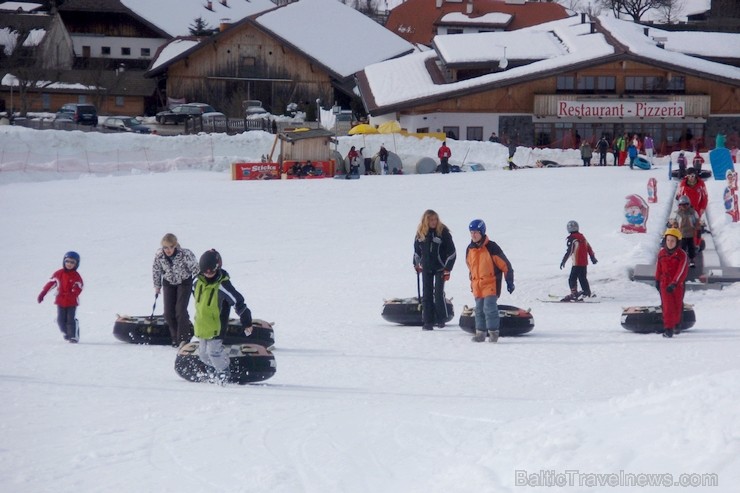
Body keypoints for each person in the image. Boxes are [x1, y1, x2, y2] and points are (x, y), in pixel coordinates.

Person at [193, 249, 252, 384]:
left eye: (211, 271)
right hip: (202, 324)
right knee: (203, 354)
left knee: (214, 353)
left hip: (216, 326)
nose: (208, 275)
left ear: (218, 268)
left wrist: (246, 321)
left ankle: (224, 372)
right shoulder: (196, 282)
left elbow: (238, 302)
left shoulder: (223, 286)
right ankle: (212, 372)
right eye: (205, 272)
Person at [465, 219, 514, 342]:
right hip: (477, 285)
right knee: (479, 309)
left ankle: (493, 334)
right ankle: (480, 334)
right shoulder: (469, 249)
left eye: (476, 232)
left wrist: (509, 281)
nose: (473, 235)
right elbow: (470, 268)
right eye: (471, 232)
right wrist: (472, 282)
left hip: (491, 283)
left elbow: (506, 265)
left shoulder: (492, 247)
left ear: (482, 232)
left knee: (489, 308)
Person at [152, 233, 200, 348]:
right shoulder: (159, 256)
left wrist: (199, 284)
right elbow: (156, 270)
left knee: (180, 311)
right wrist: (157, 286)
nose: (168, 250)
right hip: (169, 283)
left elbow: (196, 269)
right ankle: (175, 336)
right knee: (168, 313)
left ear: (175, 245)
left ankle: (183, 339)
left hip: (184, 282)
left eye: (170, 247)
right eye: (165, 247)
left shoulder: (185, 254)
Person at [413, 210, 456, 330]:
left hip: (440, 268)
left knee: (438, 293)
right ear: (426, 221)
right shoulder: (420, 233)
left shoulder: (443, 232)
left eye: (435, 219)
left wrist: (448, 268)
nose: (433, 222)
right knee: (426, 294)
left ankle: (441, 318)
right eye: (431, 220)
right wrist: (416, 264)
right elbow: (417, 251)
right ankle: (427, 321)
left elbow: (452, 252)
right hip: (426, 267)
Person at [38, 251, 84, 343]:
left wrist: (74, 292)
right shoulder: (59, 273)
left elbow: (79, 286)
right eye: (67, 261)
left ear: (76, 264)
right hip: (60, 300)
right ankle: (67, 334)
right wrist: (43, 293)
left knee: (70, 319)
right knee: (60, 320)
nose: (69, 264)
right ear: (64, 261)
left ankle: (73, 336)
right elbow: (51, 283)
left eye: (72, 262)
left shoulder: (76, 276)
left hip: (71, 301)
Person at [655, 228, 689, 338]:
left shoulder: (682, 255)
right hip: (665, 283)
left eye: (672, 241)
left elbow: (682, 271)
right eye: (668, 240)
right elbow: (658, 267)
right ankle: (668, 328)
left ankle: (677, 324)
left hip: (677, 285)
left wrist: (674, 283)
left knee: (677, 305)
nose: (670, 243)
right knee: (667, 306)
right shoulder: (661, 253)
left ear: (677, 242)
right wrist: (657, 279)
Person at [559, 220, 597, 301]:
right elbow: (589, 247)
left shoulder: (572, 239)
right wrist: (592, 257)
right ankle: (587, 292)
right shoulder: (582, 237)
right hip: (584, 262)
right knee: (582, 278)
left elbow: (569, 251)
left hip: (577, 263)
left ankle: (574, 294)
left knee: (572, 278)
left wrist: (563, 261)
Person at [670, 196, 701, 268]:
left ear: (689, 204)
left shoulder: (693, 212)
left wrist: (697, 225)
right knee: (681, 248)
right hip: (681, 234)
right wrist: (673, 224)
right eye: (681, 205)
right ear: (679, 205)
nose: (684, 207)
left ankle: (692, 259)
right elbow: (674, 221)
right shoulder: (677, 213)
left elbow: (697, 220)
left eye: (686, 204)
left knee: (691, 248)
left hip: (691, 233)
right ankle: (681, 260)